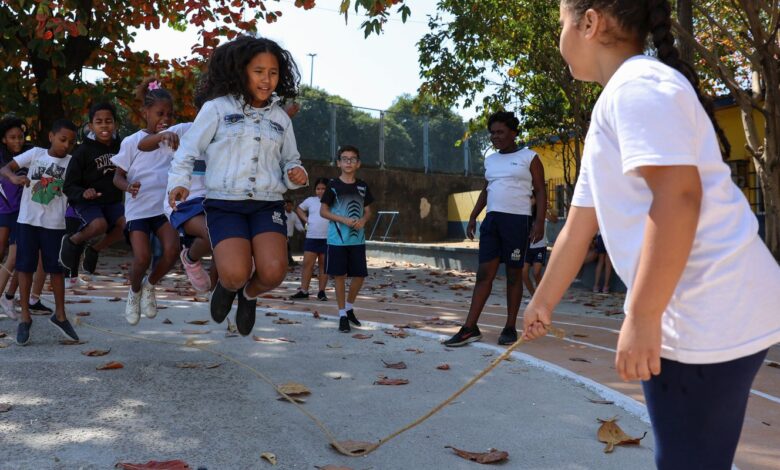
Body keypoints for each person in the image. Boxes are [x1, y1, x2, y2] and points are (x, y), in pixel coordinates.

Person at [523, 2, 780, 469]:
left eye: (560, 22)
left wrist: (643, 316)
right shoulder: (618, 99)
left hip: (706, 308)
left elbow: (679, 197)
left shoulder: (639, 88)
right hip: (711, 304)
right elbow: (581, 223)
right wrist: (542, 302)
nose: (559, 35)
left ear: (589, 22)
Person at [168, 36, 308, 336]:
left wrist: (296, 173)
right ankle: (230, 287)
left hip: (267, 203)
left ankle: (249, 295)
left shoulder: (281, 118)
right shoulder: (217, 109)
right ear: (242, 71)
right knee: (233, 274)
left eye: (273, 72)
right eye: (259, 71)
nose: (267, 79)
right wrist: (179, 183)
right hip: (225, 204)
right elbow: (188, 150)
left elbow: (290, 161)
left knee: (273, 272)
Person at [443, 111, 546, 347]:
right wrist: (473, 215)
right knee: (484, 273)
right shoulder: (491, 160)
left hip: (517, 222)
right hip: (492, 222)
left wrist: (539, 221)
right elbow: (486, 189)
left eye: (500, 132)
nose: (495, 137)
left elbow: (540, 190)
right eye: (492, 133)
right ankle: (470, 327)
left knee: (513, 274)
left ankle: (509, 327)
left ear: (513, 132)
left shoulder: (530, 157)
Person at [0, 119, 79, 345]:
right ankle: (25, 317)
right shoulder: (35, 153)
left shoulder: (73, 163)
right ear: (51, 137)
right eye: (63, 139)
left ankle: (61, 315)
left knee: (56, 270)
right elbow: (6, 168)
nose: (66, 145)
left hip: (55, 224)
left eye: (71, 142)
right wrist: (14, 177)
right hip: (27, 221)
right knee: (25, 267)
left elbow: (77, 188)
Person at [112, 78, 184, 325]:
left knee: (173, 250)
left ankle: (150, 284)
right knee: (141, 257)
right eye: (159, 113)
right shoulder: (132, 141)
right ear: (145, 112)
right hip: (138, 209)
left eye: (170, 114)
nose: (165, 118)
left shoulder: (173, 141)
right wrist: (128, 186)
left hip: (162, 209)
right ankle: (134, 292)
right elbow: (117, 177)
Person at [60, 102, 125, 276]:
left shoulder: (123, 147)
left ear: (115, 124)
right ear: (91, 126)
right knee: (99, 225)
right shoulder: (82, 151)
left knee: (126, 225)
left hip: (112, 201)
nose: (104, 125)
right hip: (88, 201)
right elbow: (68, 185)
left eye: (108, 121)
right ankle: (73, 241)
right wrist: (83, 192)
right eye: (99, 122)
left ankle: (94, 249)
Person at [320, 145, 373, 333]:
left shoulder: (363, 186)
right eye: (344, 158)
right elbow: (323, 211)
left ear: (358, 163)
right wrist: (342, 219)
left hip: (357, 240)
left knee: (360, 276)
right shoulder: (333, 185)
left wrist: (363, 220)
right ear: (338, 162)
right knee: (339, 276)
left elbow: (368, 211)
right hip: (337, 240)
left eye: (352, 159)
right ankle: (342, 314)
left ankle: (349, 307)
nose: (348, 162)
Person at [289, 177, 330, 301]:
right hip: (312, 238)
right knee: (307, 265)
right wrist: (306, 220)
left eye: (323, 188)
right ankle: (304, 290)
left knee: (324, 266)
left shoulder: (333, 201)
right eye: (318, 189)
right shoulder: (310, 201)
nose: (321, 191)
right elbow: (299, 209)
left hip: (328, 239)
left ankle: (321, 292)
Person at [522, 192, 558, 297]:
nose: (530, 200)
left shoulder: (541, 212)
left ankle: (540, 296)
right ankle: (534, 296)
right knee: (523, 273)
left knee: (536, 273)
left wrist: (550, 208)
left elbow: (554, 220)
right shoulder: (525, 212)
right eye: (529, 198)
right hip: (527, 247)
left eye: (532, 198)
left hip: (539, 246)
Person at [284, 198, 304, 266]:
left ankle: (290, 261)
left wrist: (302, 229)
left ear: (292, 206)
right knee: (286, 249)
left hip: (289, 235)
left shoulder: (293, 214)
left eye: (290, 205)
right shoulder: (282, 213)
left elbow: (297, 223)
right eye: (287, 205)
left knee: (288, 248)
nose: (288, 207)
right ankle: (289, 261)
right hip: (282, 235)